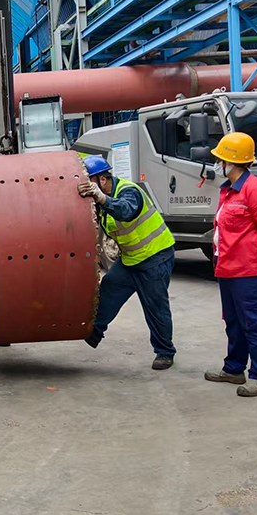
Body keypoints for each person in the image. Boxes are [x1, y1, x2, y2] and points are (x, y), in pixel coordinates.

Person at [204, 132, 257, 397]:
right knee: (234, 322)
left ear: (231, 162)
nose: (218, 164)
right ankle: (234, 369)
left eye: (221, 160)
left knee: (255, 324)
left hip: (248, 271)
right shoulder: (228, 190)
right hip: (226, 267)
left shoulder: (254, 190)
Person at [77, 156, 177, 369]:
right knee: (110, 287)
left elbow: (126, 210)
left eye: (90, 182)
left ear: (103, 179)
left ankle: (165, 352)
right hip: (131, 258)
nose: (88, 188)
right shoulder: (99, 199)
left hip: (155, 256)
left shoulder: (128, 191)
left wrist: (101, 198)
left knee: (155, 306)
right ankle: (94, 332)